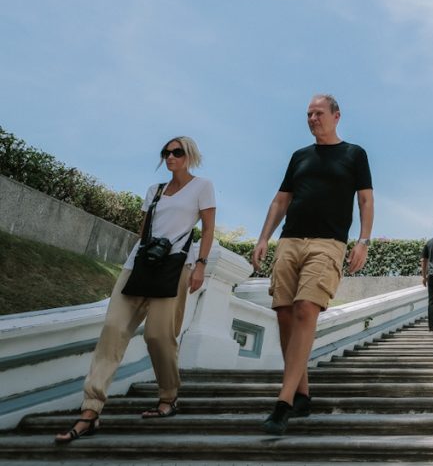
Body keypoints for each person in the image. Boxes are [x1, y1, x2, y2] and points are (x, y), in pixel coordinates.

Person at [55, 137, 216, 444]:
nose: (170, 157)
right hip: (139, 266)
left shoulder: (202, 186)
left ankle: (168, 396)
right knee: (113, 328)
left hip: (175, 267)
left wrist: (200, 266)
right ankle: (90, 410)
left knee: (158, 336)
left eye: (177, 152)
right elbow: (144, 230)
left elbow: (208, 228)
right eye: (166, 153)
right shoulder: (155, 191)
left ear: (189, 155)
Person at [252, 94, 373, 435]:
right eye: (308, 114)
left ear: (336, 116)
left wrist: (363, 240)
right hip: (290, 240)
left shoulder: (354, 154)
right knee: (284, 313)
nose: (312, 118)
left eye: (319, 113)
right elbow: (281, 199)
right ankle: (302, 392)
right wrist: (263, 238)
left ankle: (283, 402)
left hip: (328, 243)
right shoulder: (299, 157)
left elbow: (365, 199)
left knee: (306, 308)